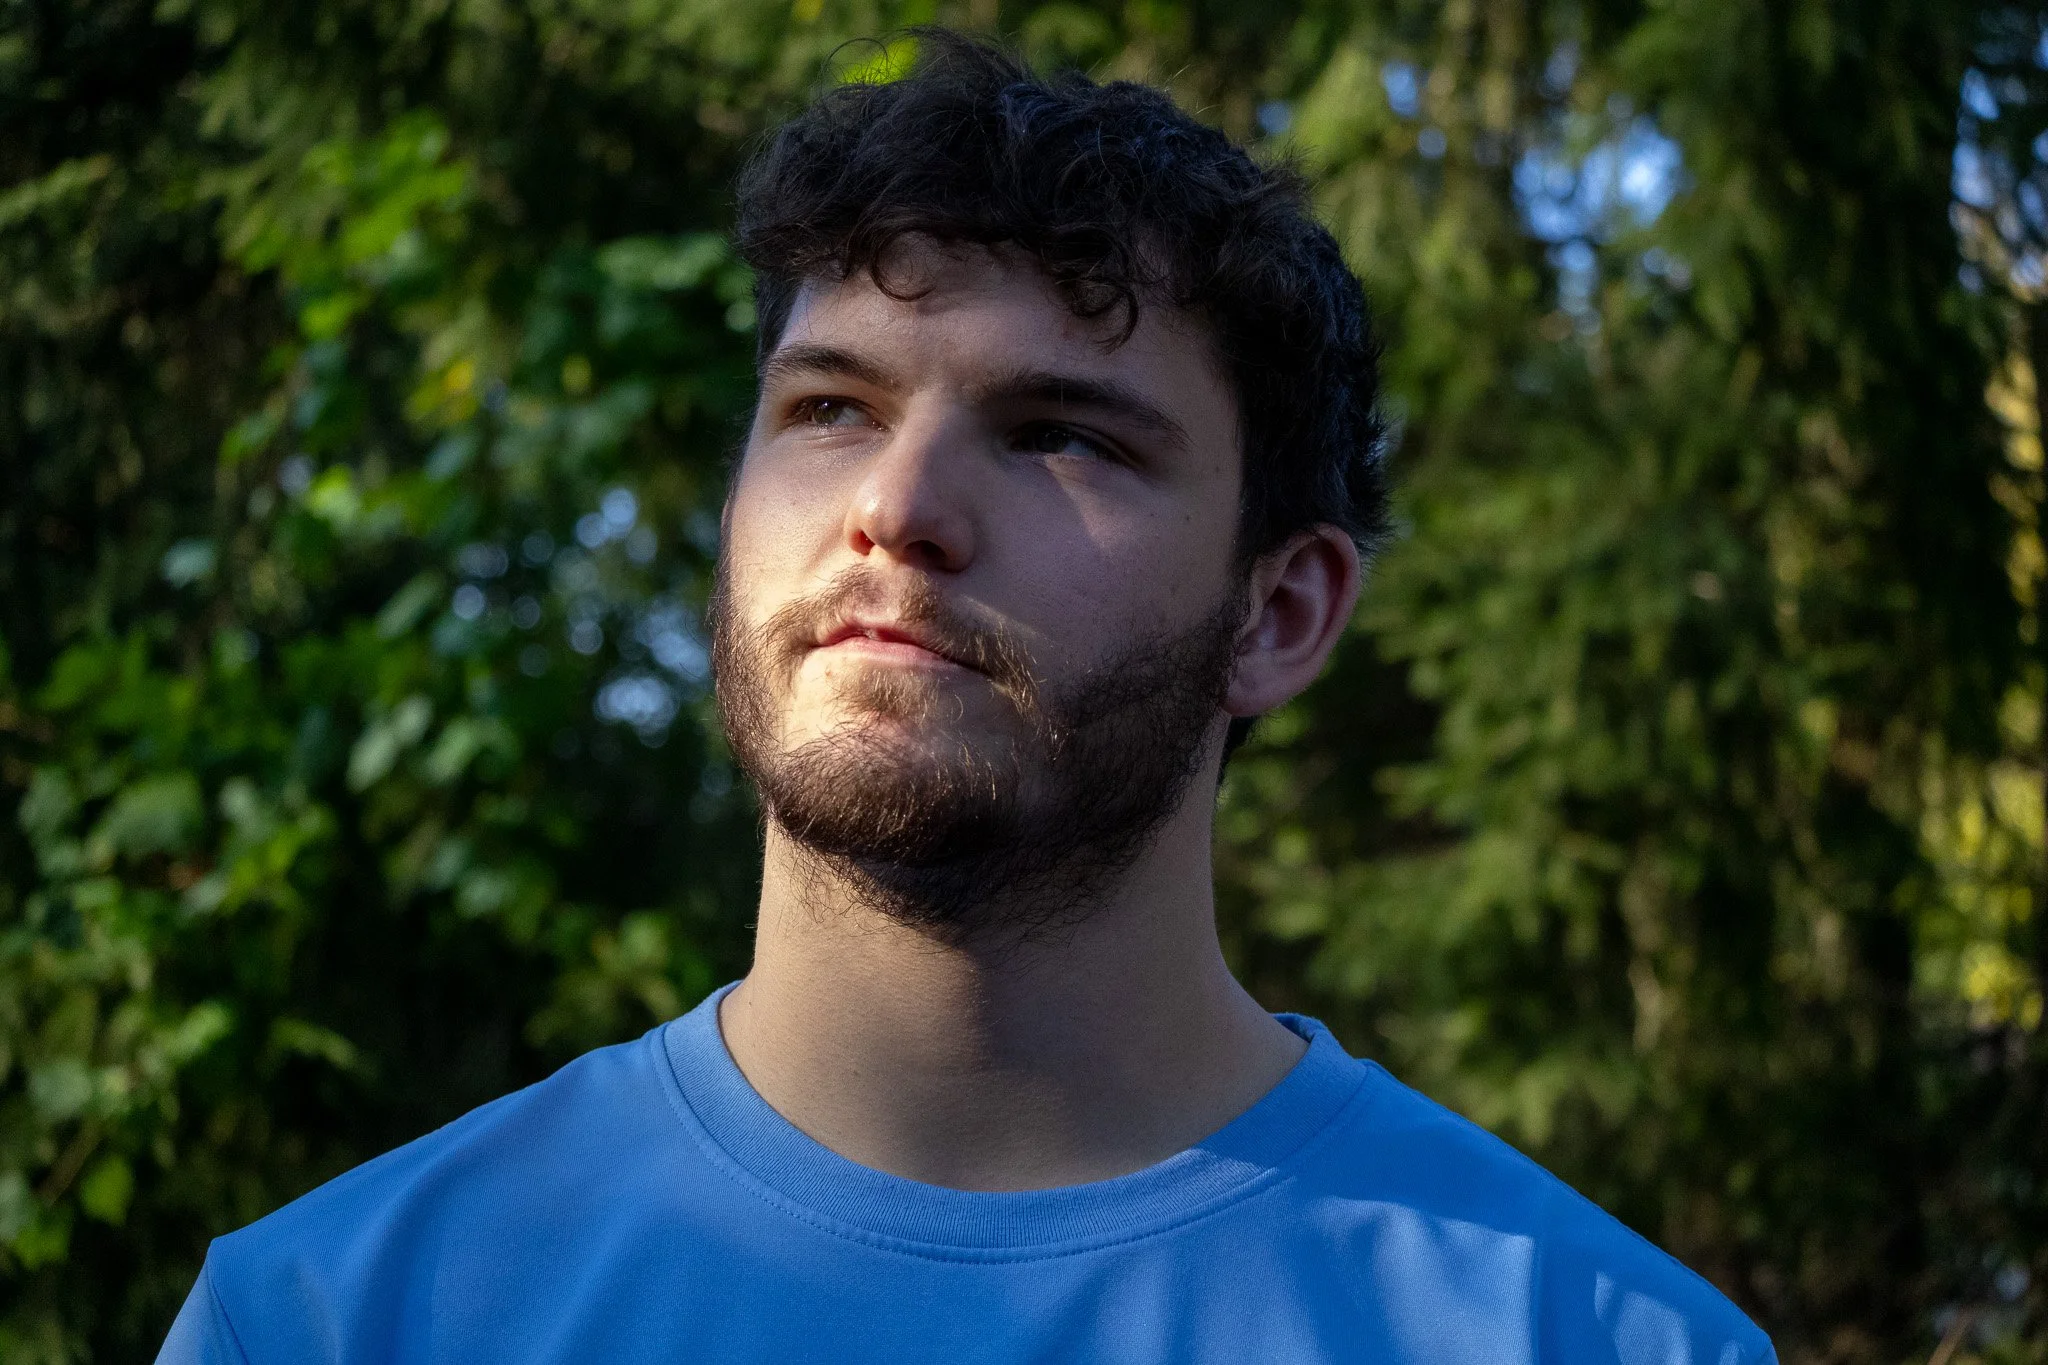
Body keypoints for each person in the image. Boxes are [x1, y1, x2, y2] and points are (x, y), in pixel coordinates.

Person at [159, 30, 1776, 1364]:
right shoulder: (337, 1317)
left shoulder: (1595, 1340)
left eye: (1063, 435)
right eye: (830, 407)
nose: (899, 505)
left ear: (1281, 612)